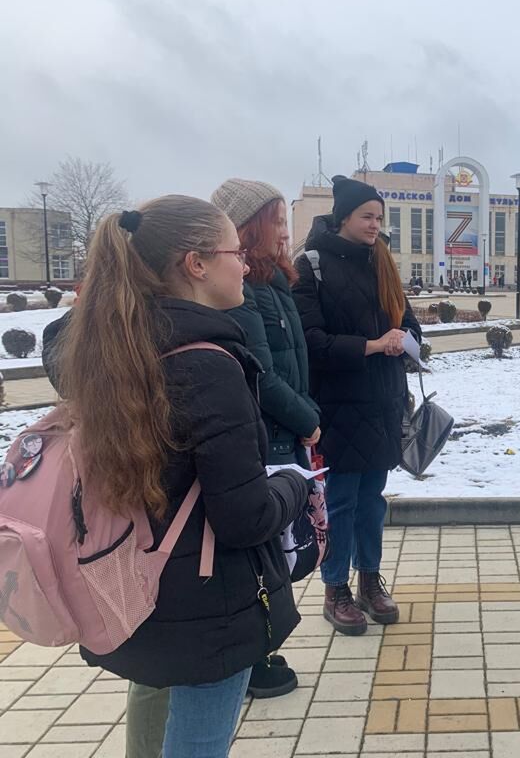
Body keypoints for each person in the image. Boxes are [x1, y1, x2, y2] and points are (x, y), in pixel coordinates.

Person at [44, 196, 309, 757]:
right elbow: (244, 518)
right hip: (208, 603)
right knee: (198, 743)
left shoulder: (115, 345)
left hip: (132, 580)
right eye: (235, 253)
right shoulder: (207, 364)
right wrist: (293, 485)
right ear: (196, 264)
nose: (245, 265)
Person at [293, 176, 422, 636]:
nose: (374, 225)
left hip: (384, 402)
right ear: (344, 216)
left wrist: (406, 339)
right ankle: (336, 589)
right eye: (367, 216)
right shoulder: (311, 266)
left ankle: (370, 580)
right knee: (342, 501)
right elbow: (310, 341)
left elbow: (409, 322)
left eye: (378, 217)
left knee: (372, 502)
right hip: (339, 407)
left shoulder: (381, 261)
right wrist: (372, 346)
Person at [212, 178, 322, 699]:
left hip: (286, 431)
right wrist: (307, 418)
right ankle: (254, 657)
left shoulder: (275, 281)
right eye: (275, 221)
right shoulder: (242, 291)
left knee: (275, 550)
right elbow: (261, 373)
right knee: (262, 551)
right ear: (247, 227)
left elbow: (294, 361)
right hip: (267, 437)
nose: (284, 231)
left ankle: (261, 649)